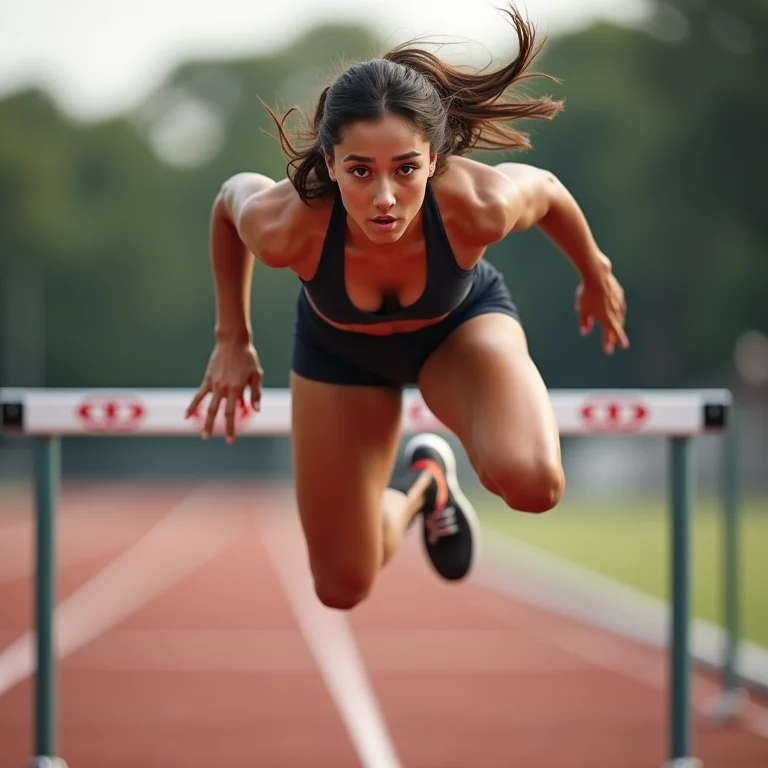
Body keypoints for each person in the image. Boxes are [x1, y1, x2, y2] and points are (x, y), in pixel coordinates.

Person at [185, 4, 629, 610]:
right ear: (331, 164)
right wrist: (232, 338)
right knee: (342, 586)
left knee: (535, 485)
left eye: (406, 169)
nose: (385, 197)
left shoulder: (477, 204)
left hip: (458, 334)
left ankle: (443, 472)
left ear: (434, 159)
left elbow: (548, 192)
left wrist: (593, 269)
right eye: (361, 171)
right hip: (340, 355)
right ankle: (428, 485)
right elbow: (225, 202)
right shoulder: (286, 224)